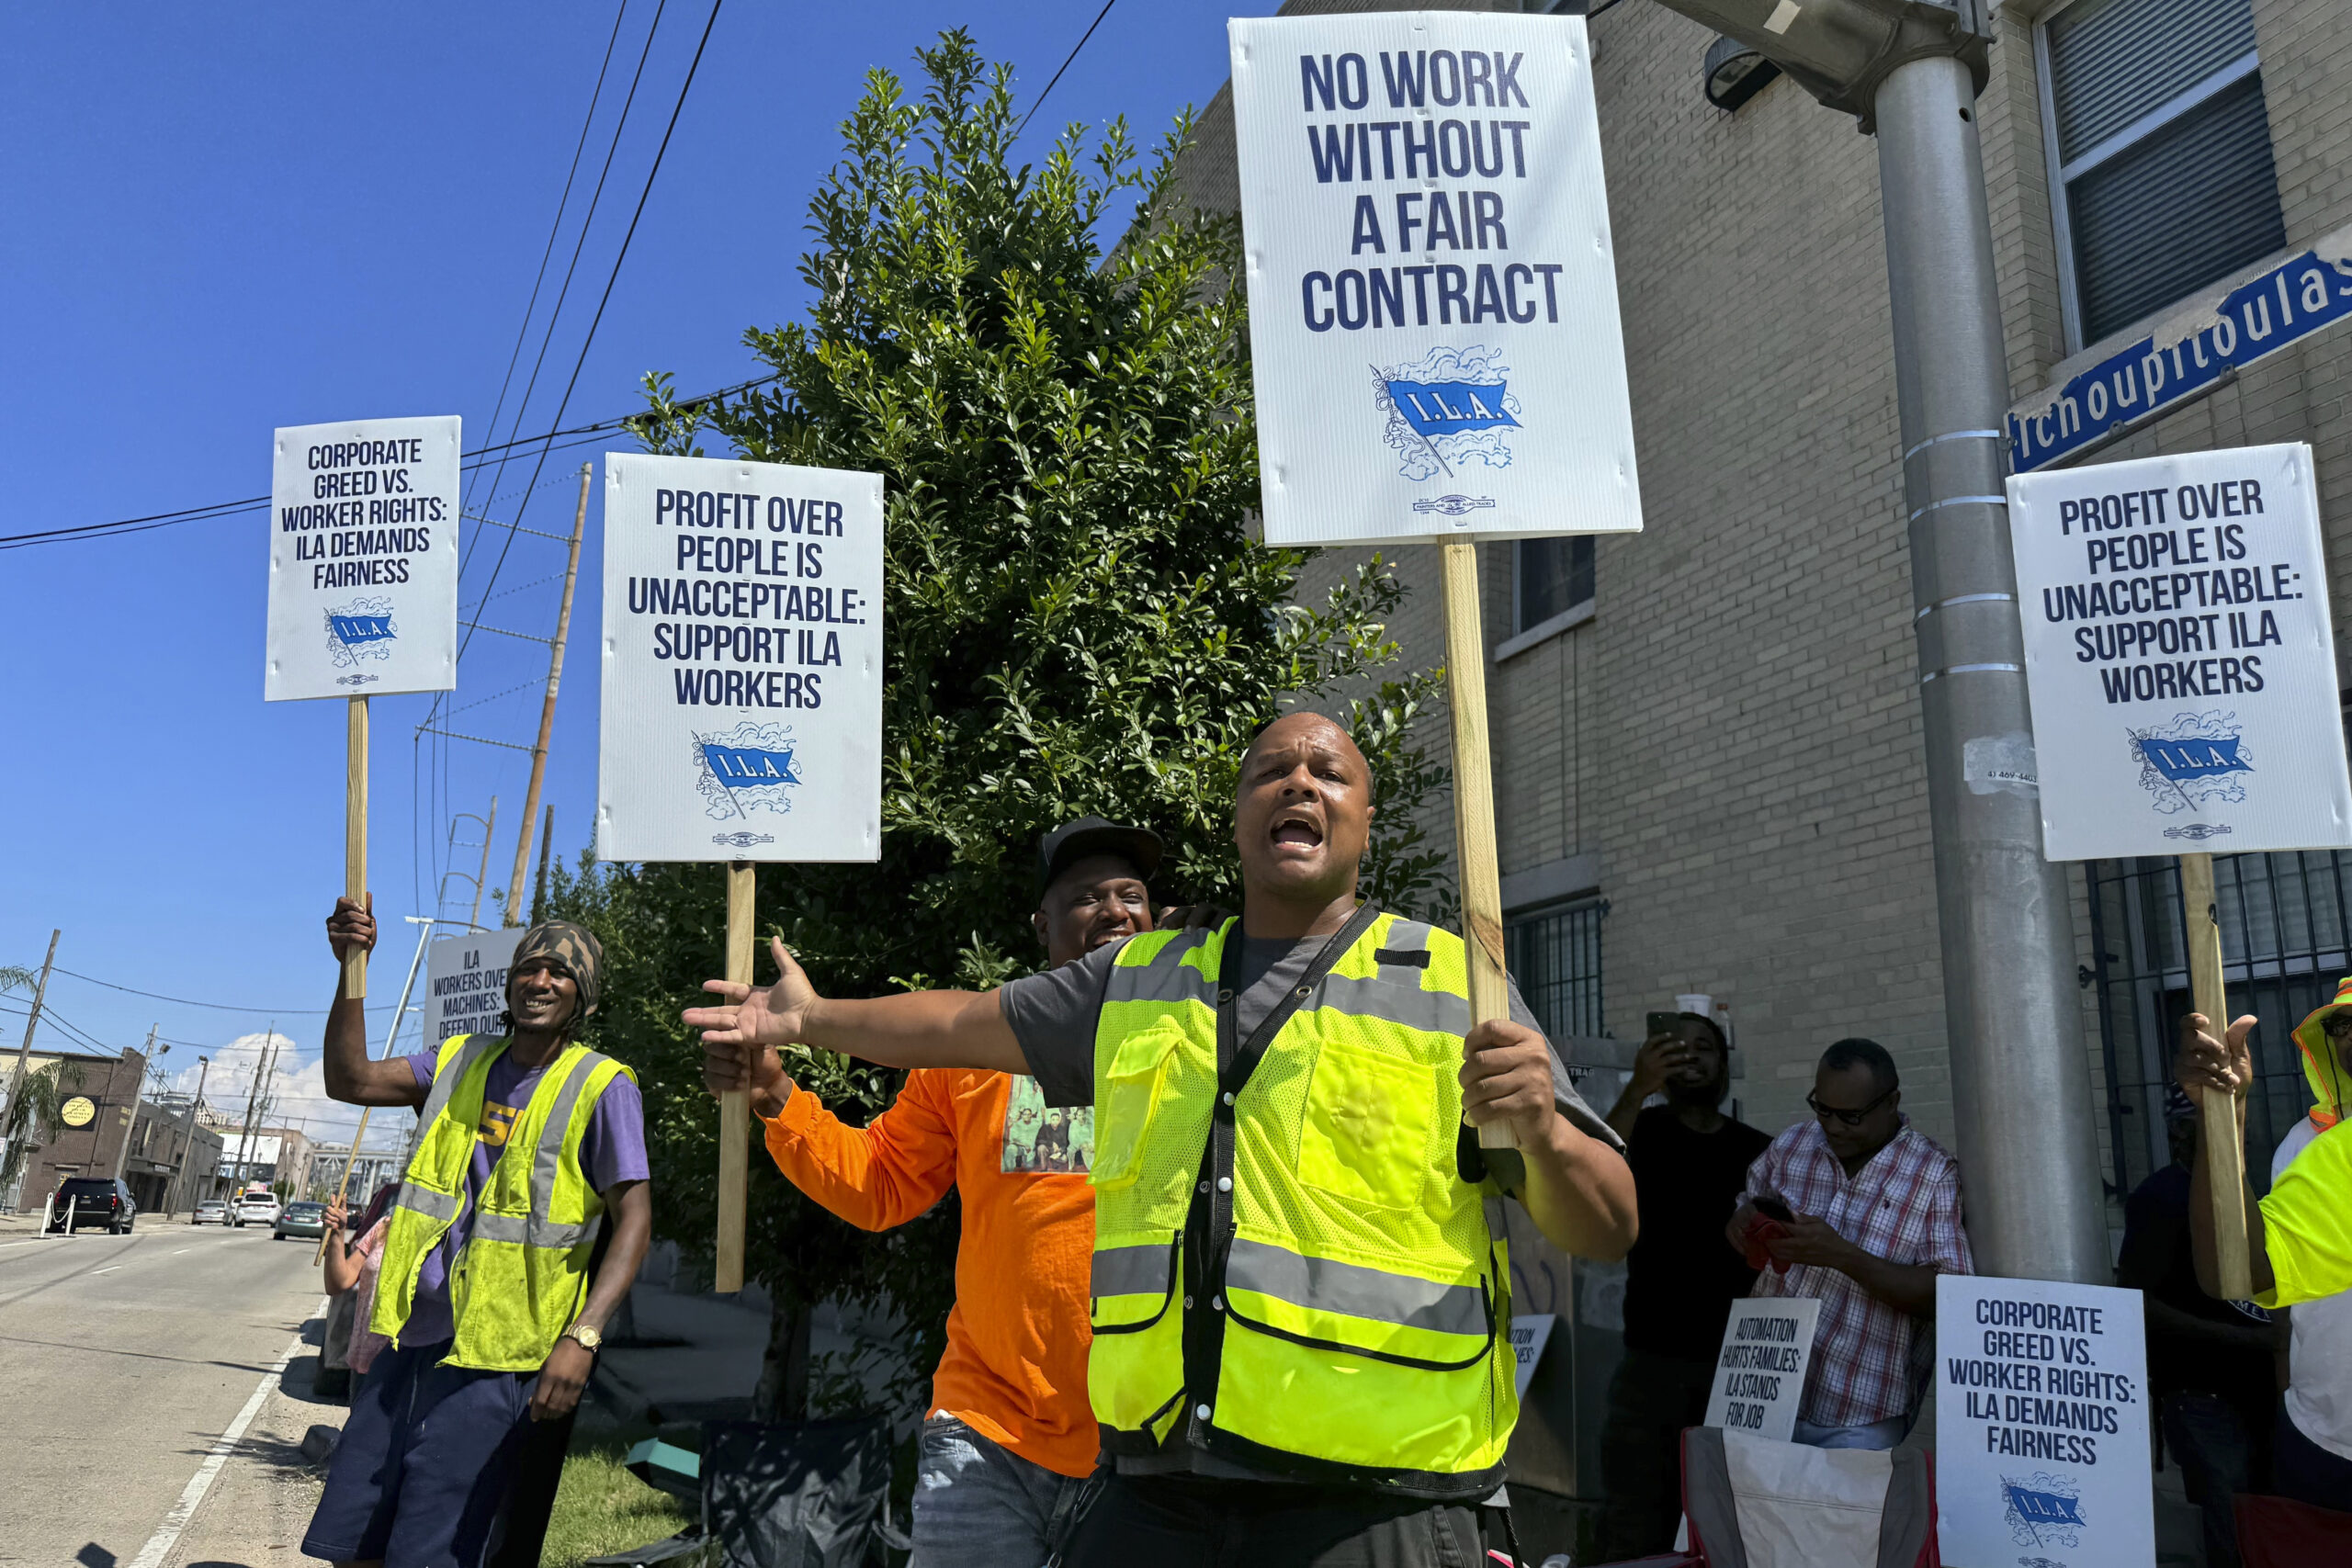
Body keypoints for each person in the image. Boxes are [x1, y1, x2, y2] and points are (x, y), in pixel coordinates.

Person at [694, 712, 1637, 1567]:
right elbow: (940, 1045)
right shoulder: (1124, 994)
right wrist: (801, 1039)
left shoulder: (1448, 988)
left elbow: (1605, 1225)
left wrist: (1545, 1131)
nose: (1301, 784)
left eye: (1328, 773)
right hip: (1130, 1475)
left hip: (1373, 1497)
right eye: (1272, 771)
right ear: (1236, 818)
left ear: (1366, 818)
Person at [725, 818, 1163, 1565]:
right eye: (1087, 897)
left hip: (1148, 1442)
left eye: (1132, 894)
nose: (1116, 910)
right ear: (1042, 925)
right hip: (986, 1432)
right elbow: (880, 1183)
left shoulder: (1197, 1037)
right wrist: (775, 1095)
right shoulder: (972, 1049)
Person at [302, 905, 653, 1568]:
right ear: (509, 983)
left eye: (559, 971)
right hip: (409, 1342)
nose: (540, 980)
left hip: (500, 1364)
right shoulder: (460, 1058)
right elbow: (347, 1079)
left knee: (434, 1550)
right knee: (355, 1541)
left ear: (583, 994)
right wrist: (352, 968)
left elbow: (634, 1217)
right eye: (528, 967)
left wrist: (584, 1336)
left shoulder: (602, 1085)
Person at [1725, 1037, 1973, 1450]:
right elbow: (1749, 1203)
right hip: (1763, 1386)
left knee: (1846, 1516)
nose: (1833, 1126)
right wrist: (1742, 1221)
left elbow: (1948, 1297)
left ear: (1891, 1102)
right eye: (1822, 1108)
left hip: (1860, 1410)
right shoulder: (1792, 1145)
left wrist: (1841, 1255)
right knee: (1753, 1514)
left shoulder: (1933, 1174)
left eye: (1851, 1116)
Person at [1595, 1011, 1771, 1558]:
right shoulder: (1640, 1131)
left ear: (1725, 1066)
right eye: (1677, 1048)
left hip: (1741, 1371)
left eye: (1705, 1047)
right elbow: (1594, 1165)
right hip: (1653, 1365)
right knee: (1638, 1519)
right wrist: (1637, 1087)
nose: (1692, 1056)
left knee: (1735, 1520)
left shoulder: (1761, 1151)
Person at [2178, 988, 2352, 1507]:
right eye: (2341, 1025)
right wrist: (2223, 1113)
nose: (2350, 1036)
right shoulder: (2310, 1144)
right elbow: (2246, 1272)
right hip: (2320, 1435)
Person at [2117, 1088, 2277, 1567]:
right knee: (2230, 1533)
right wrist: (2248, 1340)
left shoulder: (2256, 1184)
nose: (2233, 1138)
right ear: (2179, 1132)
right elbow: (2138, 1302)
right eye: (2212, 1125)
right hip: (2201, 1397)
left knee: (2270, 1523)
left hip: (2267, 1392)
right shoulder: (2160, 1198)